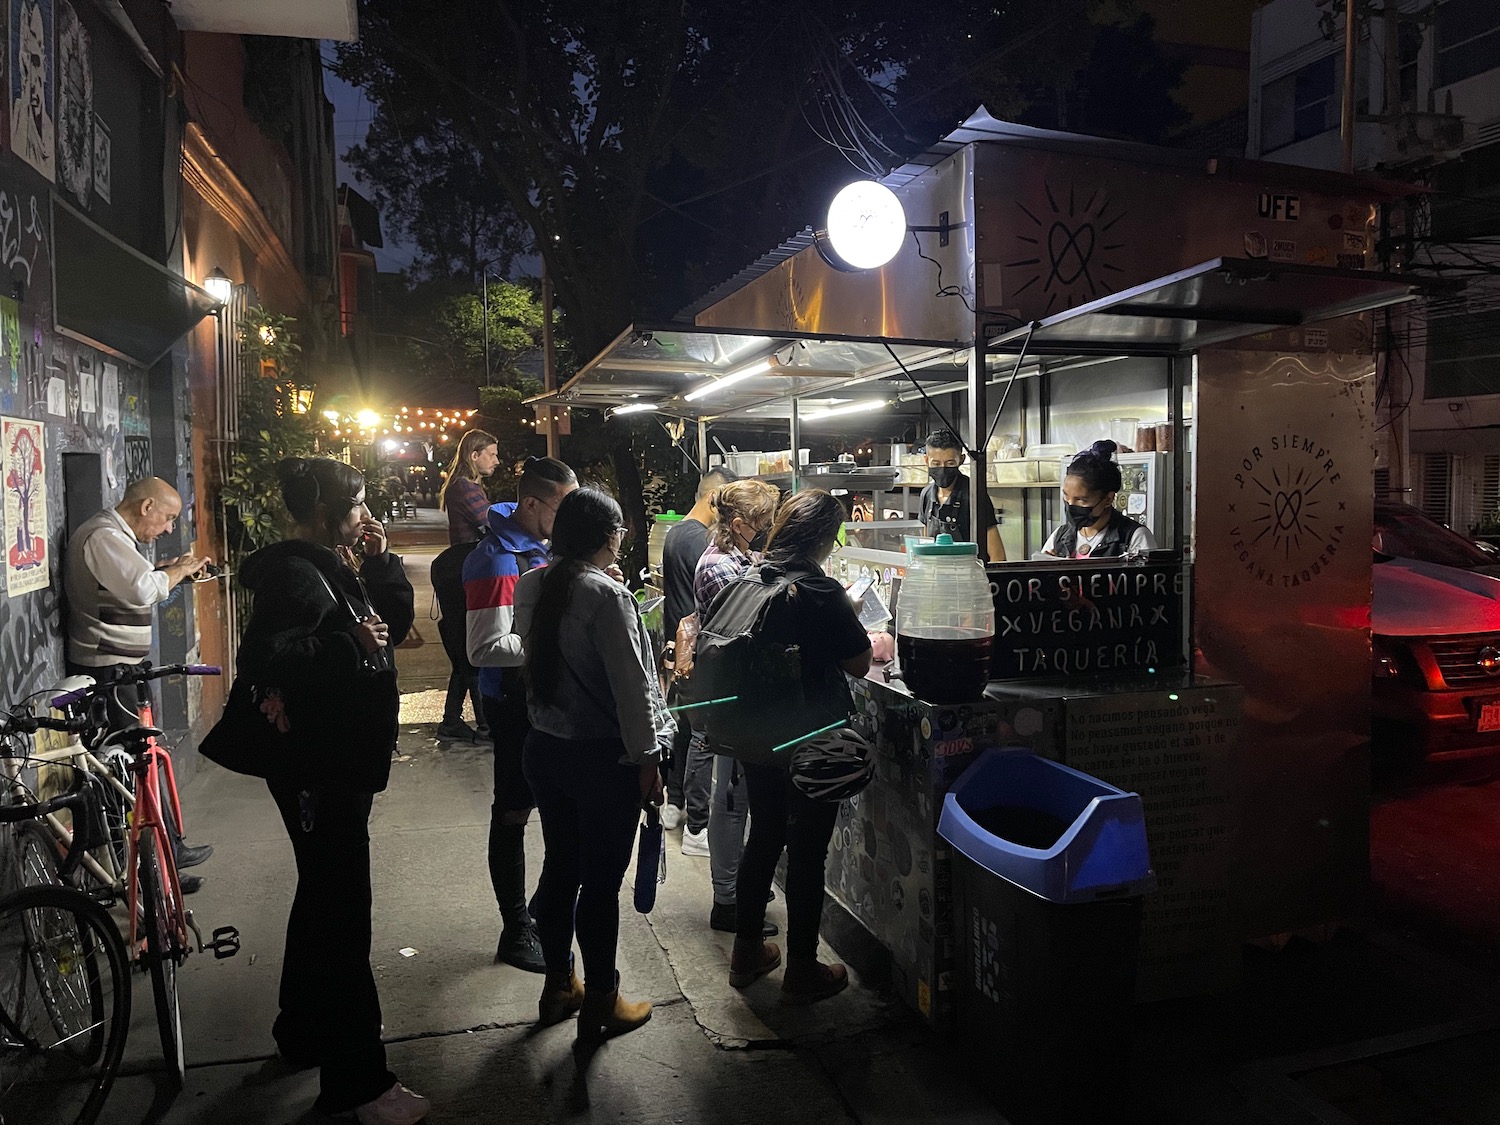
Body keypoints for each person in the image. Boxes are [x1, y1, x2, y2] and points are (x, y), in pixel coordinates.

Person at [234, 457, 425, 1125]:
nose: (364, 513)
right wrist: (348, 643)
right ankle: (357, 1081)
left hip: (334, 765)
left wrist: (381, 563)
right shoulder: (294, 573)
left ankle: (302, 1031)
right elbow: (264, 658)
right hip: (320, 770)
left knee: (322, 897)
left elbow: (390, 629)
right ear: (324, 511)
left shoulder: (331, 562)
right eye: (357, 504)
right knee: (344, 915)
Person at [512, 488, 669, 1041]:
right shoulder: (607, 596)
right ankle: (602, 996)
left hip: (546, 750)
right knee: (601, 884)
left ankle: (560, 985)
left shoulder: (533, 583)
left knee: (561, 867)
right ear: (609, 536)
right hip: (602, 760)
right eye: (621, 532)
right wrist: (649, 761)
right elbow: (634, 691)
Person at [729, 490, 872, 1004]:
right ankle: (803, 969)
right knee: (808, 848)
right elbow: (858, 663)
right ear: (824, 538)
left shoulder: (751, 575)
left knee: (764, 834)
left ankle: (747, 952)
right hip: (810, 736)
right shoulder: (819, 588)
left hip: (752, 730)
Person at [63, 475, 214, 892]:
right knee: (132, 765)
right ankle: (155, 866)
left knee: (138, 760)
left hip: (118, 667)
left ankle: (164, 855)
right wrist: (178, 570)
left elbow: (135, 584)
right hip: (108, 669)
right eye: (166, 518)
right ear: (146, 507)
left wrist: (168, 571)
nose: (167, 529)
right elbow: (143, 589)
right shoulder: (104, 536)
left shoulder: (114, 538)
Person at [464, 456, 578, 973]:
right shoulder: (495, 559)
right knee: (512, 813)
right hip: (511, 704)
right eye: (563, 505)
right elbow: (485, 648)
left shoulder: (542, 545)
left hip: (545, 698)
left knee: (559, 813)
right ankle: (515, 929)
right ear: (531, 503)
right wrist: (556, 639)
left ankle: (539, 915)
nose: (570, 515)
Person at [691, 479, 782, 937]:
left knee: (737, 798)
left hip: (741, 698)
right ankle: (727, 902)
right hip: (731, 699)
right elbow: (753, 627)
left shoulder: (740, 559)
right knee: (729, 800)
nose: (768, 531)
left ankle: (739, 889)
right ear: (740, 523)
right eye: (764, 524)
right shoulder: (719, 567)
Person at [660, 466, 736, 851]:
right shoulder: (702, 542)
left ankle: (674, 804)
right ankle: (697, 826)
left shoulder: (677, 531)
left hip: (679, 649)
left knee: (686, 731)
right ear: (713, 499)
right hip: (697, 652)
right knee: (700, 737)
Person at [434, 429, 500, 744]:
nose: (497, 461)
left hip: (460, 571)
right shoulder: (466, 488)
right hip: (466, 573)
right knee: (472, 647)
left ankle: (451, 721)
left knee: (465, 650)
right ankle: (485, 725)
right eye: (492, 453)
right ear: (474, 455)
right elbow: (491, 523)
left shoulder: (464, 487)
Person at [1038, 440, 1157, 559]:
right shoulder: (1060, 536)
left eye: (1081, 500)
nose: (1070, 505)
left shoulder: (1133, 537)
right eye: (1066, 496)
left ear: (1108, 499)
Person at [918, 429, 1006, 562]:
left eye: (950, 463)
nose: (942, 468)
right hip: (936, 576)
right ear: (926, 460)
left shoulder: (974, 495)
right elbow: (926, 544)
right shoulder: (926, 495)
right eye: (936, 464)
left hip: (969, 578)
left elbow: (997, 555)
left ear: (961, 459)